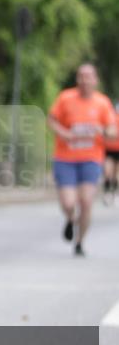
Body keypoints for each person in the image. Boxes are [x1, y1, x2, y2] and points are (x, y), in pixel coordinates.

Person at [47, 64, 117, 256]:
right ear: (77, 79)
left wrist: (101, 131)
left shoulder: (102, 103)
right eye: (81, 76)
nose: (84, 80)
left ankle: (79, 242)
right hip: (65, 158)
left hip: (91, 158)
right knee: (69, 203)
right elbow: (51, 120)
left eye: (88, 77)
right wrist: (65, 134)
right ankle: (70, 219)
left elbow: (112, 131)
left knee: (86, 202)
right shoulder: (65, 98)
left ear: (96, 80)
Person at [102, 100, 119, 204]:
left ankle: (116, 193)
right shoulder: (110, 118)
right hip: (109, 149)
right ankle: (107, 193)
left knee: (117, 174)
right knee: (108, 172)